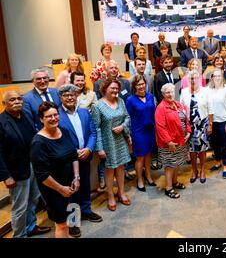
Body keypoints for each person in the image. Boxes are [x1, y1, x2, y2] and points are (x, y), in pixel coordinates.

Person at [0, 90, 51, 238]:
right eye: (12, 100)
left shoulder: (26, 116)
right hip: (16, 171)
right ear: (4, 104)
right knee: (20, 207)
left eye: (18, 99)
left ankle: (31, 227)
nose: (17, 102)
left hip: (33, 166)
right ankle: (20, 235)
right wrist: (6, 176)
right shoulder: (2, 122)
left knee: (33, 200)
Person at [57, 85, 102, 238]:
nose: (70, 98)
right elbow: (58, 139)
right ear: (61, 98)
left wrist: (89, 148)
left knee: (85, 186)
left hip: (85, 155)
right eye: (66, 96)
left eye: (72, 95)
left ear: (76, 96)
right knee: (72, 190)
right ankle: (73, 221)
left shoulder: (84, 112)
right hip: (68, 160)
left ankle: (86, 211)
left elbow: (93, 132)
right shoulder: (56, 115)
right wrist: (74, 152)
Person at [30, 102, 80, 238]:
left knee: (73, 212)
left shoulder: (64, 130)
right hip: (53, 188)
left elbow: (73, 155)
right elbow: (42, 175)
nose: (53, 118)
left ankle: (72, 231)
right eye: (48, 116)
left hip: (71, 183)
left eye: (55, 115)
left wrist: (76, 177)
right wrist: (61, 189)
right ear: (41, 119)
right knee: (62, 224)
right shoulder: (38, 143)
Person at [91, 79, 132, 211]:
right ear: (105, 89)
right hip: (107, 142)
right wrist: (100, 148)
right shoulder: (97, 106)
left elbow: (127, 117)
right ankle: (110, 196)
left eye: (116, 89)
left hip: (121, 139)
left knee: (121, 167)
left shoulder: (120, 101)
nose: (115, 91)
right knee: (109, 169)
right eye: (112, 88)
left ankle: (121, 192)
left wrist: (122, 127)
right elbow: (96, 128)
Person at [155, 83, 191, 198]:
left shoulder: (178, 104)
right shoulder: (161, 108)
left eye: (171, 92)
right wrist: (169, 141)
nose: (170, 94)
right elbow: (160, 127)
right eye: (167, 92)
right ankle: (169, 188)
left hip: (181, 141)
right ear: (163, 95)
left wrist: (189, 131)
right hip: (169, 144)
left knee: (177, 163)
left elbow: (185, 119)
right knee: (170, 165)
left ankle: (175, 182)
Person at [126, 75, 157, 192]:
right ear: (134, 86)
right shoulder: (130, 100)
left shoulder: (150, 97)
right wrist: (129, 135)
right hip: (138, 132)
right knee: (140, 158)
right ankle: (139, 179)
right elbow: (128, 117)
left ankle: (148, 176)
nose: (141, 86)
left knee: (149, 155)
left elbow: (154, 114)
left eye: (143, 84)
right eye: (138, 84)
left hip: (150, 130)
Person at [180, 71, 210, 184]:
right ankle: (194, 170)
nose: (193, 80)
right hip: (190, 125)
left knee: (202, 149)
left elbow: (210, 107)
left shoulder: (205, 91)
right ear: (188, 80)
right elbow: (181, 108)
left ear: (199, 79)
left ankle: (202, 170)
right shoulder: (183, 92)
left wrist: (210, 124)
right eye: (191, 78)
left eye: (196, 78)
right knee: (192, 150)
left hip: (202, 123)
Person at [207, 69, 226, 179]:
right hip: (213, 121)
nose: (217, 78)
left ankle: (225, 166)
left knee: (225, 145)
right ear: (212, 78)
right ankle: (218, 162)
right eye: (215, 76)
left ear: (222, 77)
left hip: (224, 121)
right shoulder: (209, 90)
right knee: (215, 144)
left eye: (220, 76)